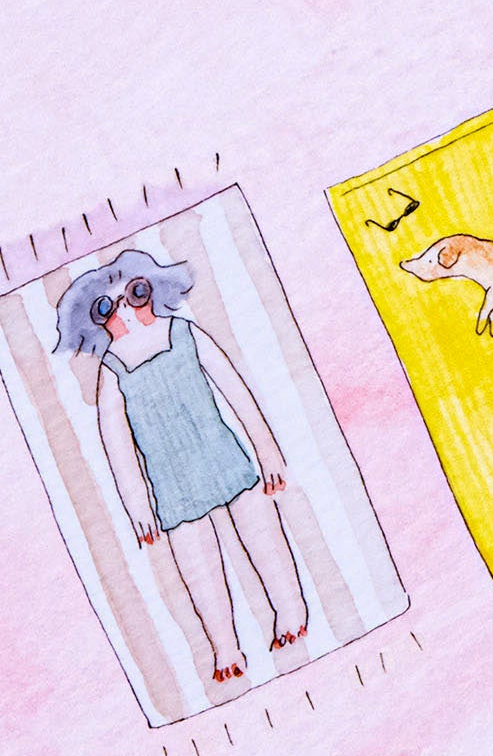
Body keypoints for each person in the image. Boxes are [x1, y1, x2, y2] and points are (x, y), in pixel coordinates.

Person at [56, 247, 310, 686]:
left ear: (155, 289)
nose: (125, 311)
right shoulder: (112, 371)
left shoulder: (186, 333)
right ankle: (225, 647)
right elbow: (117, 447)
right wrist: (137, 506)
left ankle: (291, 611)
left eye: (136, 294)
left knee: (263, 538)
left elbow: (235, 390)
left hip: (224, 457)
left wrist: (267, 452)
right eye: (106, 308)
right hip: (171, 486)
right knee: (199, 568)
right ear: (93, 322)